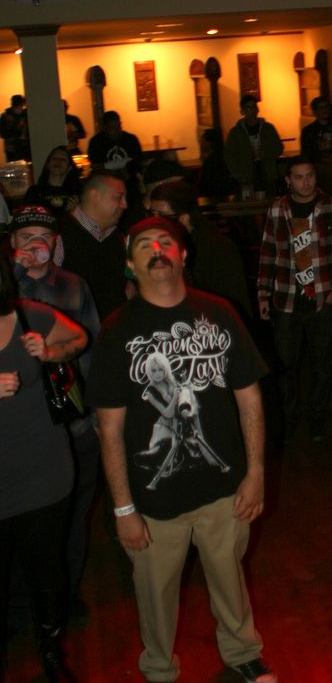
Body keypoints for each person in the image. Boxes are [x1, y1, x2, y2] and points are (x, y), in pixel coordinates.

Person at [86, 216, 276, 683]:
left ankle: (242, 654)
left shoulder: (220, 313)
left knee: (231, 582)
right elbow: (109, 429)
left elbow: (249, 397)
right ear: (130, 265)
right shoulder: (116, 330)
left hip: (224, 491)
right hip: (153, 504)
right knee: (154, 595)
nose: (157, 250)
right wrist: (123, 508)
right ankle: (158, 669)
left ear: (183, 254)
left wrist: (256, 472)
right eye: (144, 245)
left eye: (165, 242)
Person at [10, 204, 101, 624]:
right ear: (12, 243)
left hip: (73, 419)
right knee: (19, 519)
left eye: (43, 237)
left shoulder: (73, 286)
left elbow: (92, 348)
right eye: (25, 236)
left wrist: (97, 417)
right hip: (18, 429)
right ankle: (20, 606)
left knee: (73, 516)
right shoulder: (4, 287)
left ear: (56, 243)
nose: (35, 245)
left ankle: (65, 597)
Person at [0, 254, 87, 681]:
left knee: (46, 570)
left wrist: (51, 352)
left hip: (42, 472)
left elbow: (80, 339)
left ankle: (52, 656)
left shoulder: (28, 314)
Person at [258, 156, 332, 441]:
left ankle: (317, 419)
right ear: (288, 180)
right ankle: (289, 419)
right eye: (298, 177)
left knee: (323, 364)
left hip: (322, 297)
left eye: (309, 175)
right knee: (286, 365)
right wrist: (263, 293)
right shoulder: (278, 208)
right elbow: (268, 251)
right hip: (286, 297)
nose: (305, 182)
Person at [150, 179, 252, 319]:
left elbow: (233, 304)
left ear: (184, 218)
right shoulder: (163, 246)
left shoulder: (217, 249)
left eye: (161, 216)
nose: (154, 222)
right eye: (152, 214)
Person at [55, 170, 128, 321]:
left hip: (115, 328)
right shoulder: (59, 235)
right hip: (77, 329)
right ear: (94, 196)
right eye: (118, 197)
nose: (124, 205)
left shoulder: (118, 237)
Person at [225, 96, 283, 198]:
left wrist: (266, 153)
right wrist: (238, 175)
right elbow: (229, 156)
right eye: (249, 108)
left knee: (269, 201)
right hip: (246, 176)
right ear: (242, 111)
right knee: (249, 203)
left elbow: (279, 148)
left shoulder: (268, 128)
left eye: (254, 107)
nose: (253, 111)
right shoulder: (236, 133)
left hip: (267, 174)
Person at [24, 145, 81, 216]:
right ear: (48, 164)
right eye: (54, 158)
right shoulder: (34, 192)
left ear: (69, 167)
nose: (58, 161)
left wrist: (76, 210)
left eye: (63, 159)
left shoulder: (76, 193)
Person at [87, 110, 142, 177]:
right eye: (112, 128)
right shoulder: (96, 142)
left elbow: (136, 161)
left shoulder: (131, 139)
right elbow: (96, 167)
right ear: (104, 128)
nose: (117, 131)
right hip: (107, 181)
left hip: (129, 181)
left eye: (118, 127)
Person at [0, 95, 30, 162]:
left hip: (18, 148)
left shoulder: (5, 116)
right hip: (17, 148)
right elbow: (3, 134)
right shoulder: (26, 114)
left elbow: (3, 134)